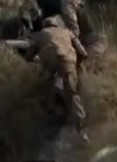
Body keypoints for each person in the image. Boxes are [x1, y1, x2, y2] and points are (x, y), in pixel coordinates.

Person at [24, 14, 89, 142]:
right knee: (73, 95)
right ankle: (82, 132)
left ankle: (48, 119)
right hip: (68, 63)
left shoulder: (40, 34)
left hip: (49, 64)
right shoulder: (67, 32)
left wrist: (33, 60)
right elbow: (83, 53)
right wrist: (78, 65)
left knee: (45, 88)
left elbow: (28, 57)